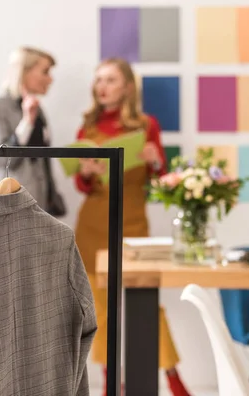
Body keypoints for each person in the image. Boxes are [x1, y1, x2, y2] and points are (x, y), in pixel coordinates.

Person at [74, 58, 192, 396]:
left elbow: (159, 182)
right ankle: (114, 384)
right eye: (98, 80)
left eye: (110, 80)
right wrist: (85, 173)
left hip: (132, 220)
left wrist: (156, 161)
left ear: (127, 86)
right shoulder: (88, 127)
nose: (102, 87)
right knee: (100, 307)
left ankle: (173, 378)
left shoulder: (145, 124)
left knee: (144, 301)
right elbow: (83, 186)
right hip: (93, 222)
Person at [0, 46, 65, 216]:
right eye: (45, 72)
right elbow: (0, 162)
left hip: (38, 205)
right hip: (11, 206)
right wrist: (27, 121)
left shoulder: (39, 111)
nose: (50, 79)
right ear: (25, 72)